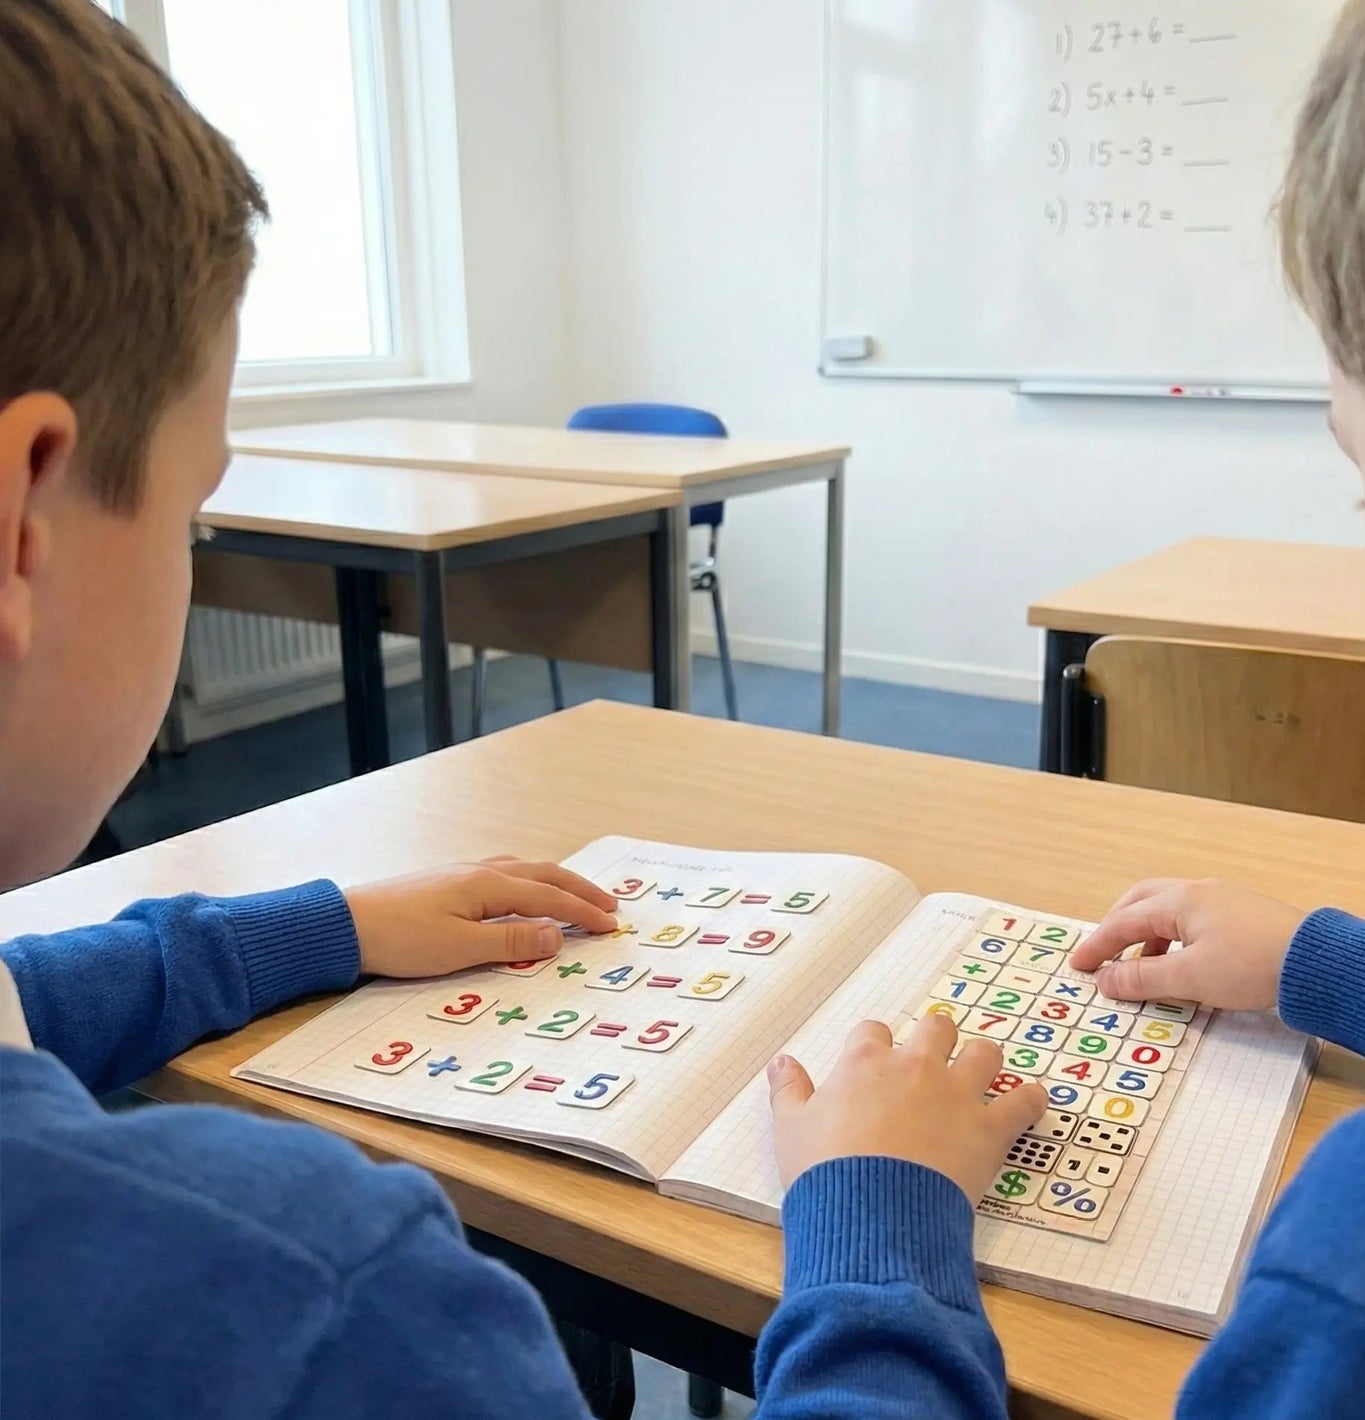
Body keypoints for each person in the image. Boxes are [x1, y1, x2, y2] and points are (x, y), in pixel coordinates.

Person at [0, 4, 1049, 1417]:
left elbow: (29, 994)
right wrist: (882, 1228)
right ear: (22, 519)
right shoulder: (314, 1296)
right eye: (196, 521)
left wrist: (320, 926)